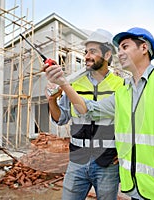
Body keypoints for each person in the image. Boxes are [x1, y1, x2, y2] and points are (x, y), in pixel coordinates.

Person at [44, 27, 154, 200]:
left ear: (144, 48)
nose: (119, 53)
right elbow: (87, 109)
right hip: (135, 189)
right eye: (118, 49)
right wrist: (63, 84)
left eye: (125, 47)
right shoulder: (124, 92)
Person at [45, 29, 124, 200]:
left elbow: (129, 123)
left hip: (107, 162)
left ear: (108, 54)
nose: (87, 56)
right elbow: (61, 119)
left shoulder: (121, 85)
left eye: (93, 51)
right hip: (77, 160)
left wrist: (124, 151)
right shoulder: (73, 84)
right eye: (86, 52)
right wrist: (52, 100)